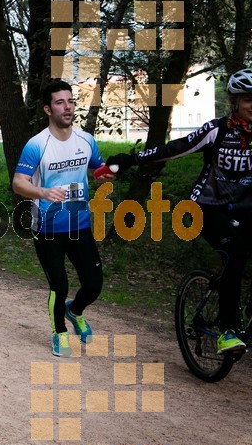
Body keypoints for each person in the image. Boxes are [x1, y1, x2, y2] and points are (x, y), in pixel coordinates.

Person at [107, 68, 252, 355]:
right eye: (249, 100)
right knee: (235, 253)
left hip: (242, 208)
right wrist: (132, 159)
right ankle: (226, 331)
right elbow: (175, 149)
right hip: (205, 209)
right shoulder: (217, 130)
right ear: (234, 101)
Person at [12, 80, 115, 358]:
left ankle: (75, 310)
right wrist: (43, 191)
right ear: (48, 109)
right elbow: (18, 183)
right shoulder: (37, 145)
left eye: (70, 101)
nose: (67, 107)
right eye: (60, 102)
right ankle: (59, 332)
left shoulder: (86, 140)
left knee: (94, 284)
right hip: (47, 227)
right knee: (59, 284)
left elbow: (99, 169)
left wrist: (113, 169)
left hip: (79, 224)